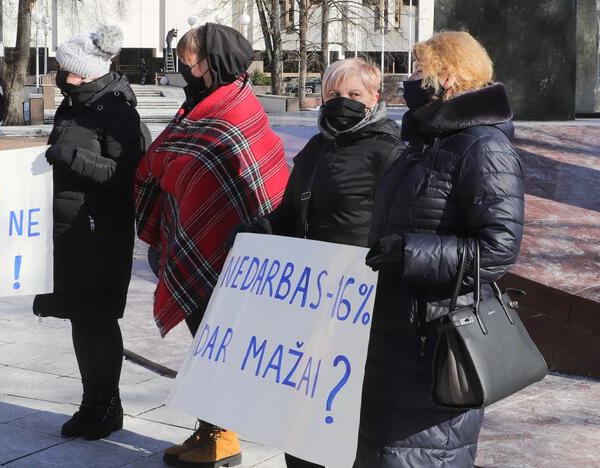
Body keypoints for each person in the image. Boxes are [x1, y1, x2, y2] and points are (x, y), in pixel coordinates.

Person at [360, 31, 524, 467]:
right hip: (393, 331)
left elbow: (499, 248)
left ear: (446, 77)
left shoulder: (485, 147)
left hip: (435, 340)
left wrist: (410, 252)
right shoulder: (422, 141)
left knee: (421, 455)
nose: (411, 81)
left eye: (418, 71)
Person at [231, 57, 405, 467]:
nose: (341, 102)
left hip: (359, 304)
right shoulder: (315, 149)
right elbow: (292, 211)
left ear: (375, 98)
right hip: (309, 300)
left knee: (346, 412)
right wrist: (261, 230)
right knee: (301, 409)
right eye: (333, 94)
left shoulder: (390, 151)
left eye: (354, 94)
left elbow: (403, 221)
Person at [134, 23, 290, 468]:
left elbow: (238, 178)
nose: (188, 67)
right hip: (202, 242)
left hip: (232, 250)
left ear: (214, 63)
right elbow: (169, 159)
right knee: (207, 341)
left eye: (193, 59)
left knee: (220, 341)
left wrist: (166, 167)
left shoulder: (232, 110)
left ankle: (223, 436)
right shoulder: (200, 105)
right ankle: (210, 427)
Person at [32, 25, 143, 441]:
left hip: (102, 232)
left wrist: (72, 157)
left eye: (67, 69)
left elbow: (126, 175)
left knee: (100, 318)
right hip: (68, 228)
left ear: (88, 71)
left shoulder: (118, 110)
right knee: (79, 318)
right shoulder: (72, 106)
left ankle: (109, 404)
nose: (61, 74)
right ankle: (89, 402)